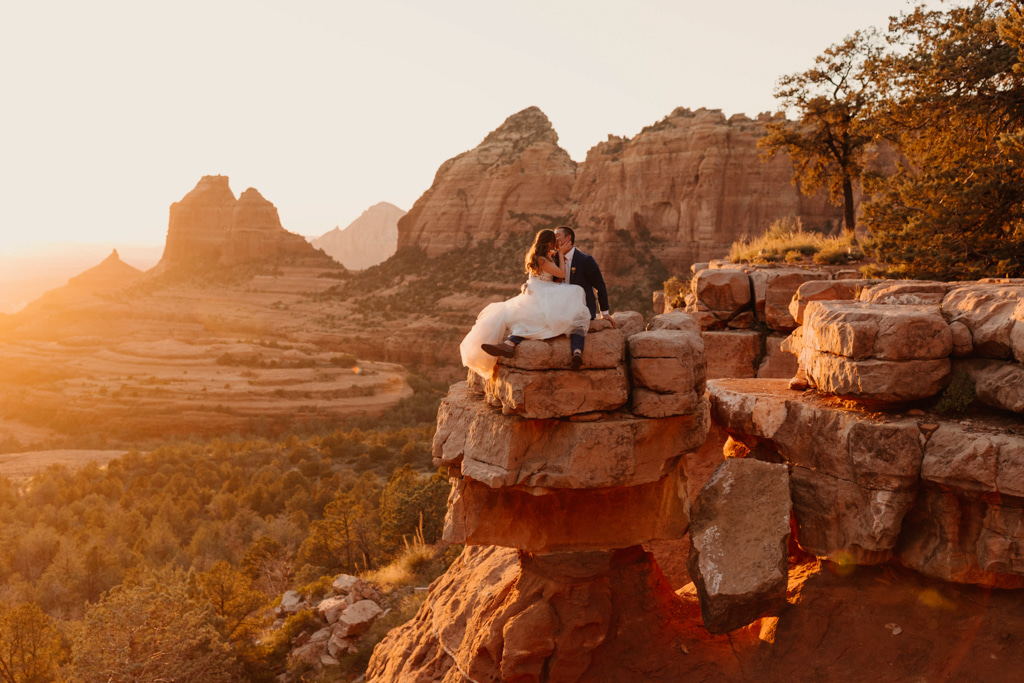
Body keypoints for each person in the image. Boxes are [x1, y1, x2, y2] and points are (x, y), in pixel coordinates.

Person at [460, 229, 591, 377]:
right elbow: (561, 274)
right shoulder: (542, 259)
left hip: (535, 290)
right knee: (576, 291)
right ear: (549, 243)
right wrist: (561, 254)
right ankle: (510, 344)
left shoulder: (538, 256)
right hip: (542, 291)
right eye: (554, 241)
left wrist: (555, 254)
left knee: (531, 317)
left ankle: (509, 344)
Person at [553, 225, 614, 369]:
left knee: (577, 321)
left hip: (581, 305)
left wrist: (604, 313)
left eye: (557, 237)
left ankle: (577, 353)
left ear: (568, 239)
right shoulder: (553, 259)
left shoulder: (585, 260)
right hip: (559, 304)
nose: (554, 240)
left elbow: (600, 286)